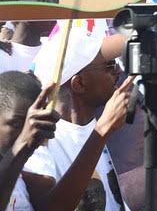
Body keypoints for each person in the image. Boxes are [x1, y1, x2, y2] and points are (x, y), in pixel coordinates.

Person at [23, 30, 134, 211]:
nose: (118, 70)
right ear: (79, 83)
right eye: (109, 65)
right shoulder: (39, 143)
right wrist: (103, 129)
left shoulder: (115, 123)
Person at [0, 72, 60, 211]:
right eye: (16, 124)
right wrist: (23, 146)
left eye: (34, 124)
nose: (28, 131)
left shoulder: (20, 176)